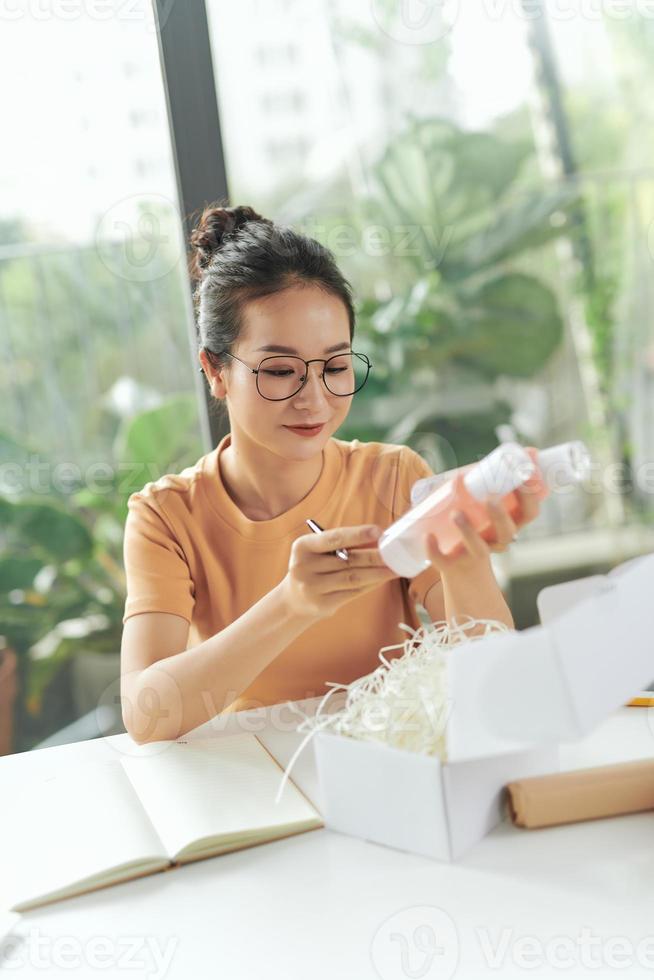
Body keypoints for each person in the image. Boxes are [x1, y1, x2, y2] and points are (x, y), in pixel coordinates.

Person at [120, 203, 540, 744]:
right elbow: (146, 714)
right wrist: (292, 603)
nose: (315, 400)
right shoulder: (166, 516)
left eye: (336, 367)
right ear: (215, 371)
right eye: (279, 371)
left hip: (386, 762)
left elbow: (494, 682)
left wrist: (464, 564)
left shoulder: (392, 478)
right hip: (248, 785)